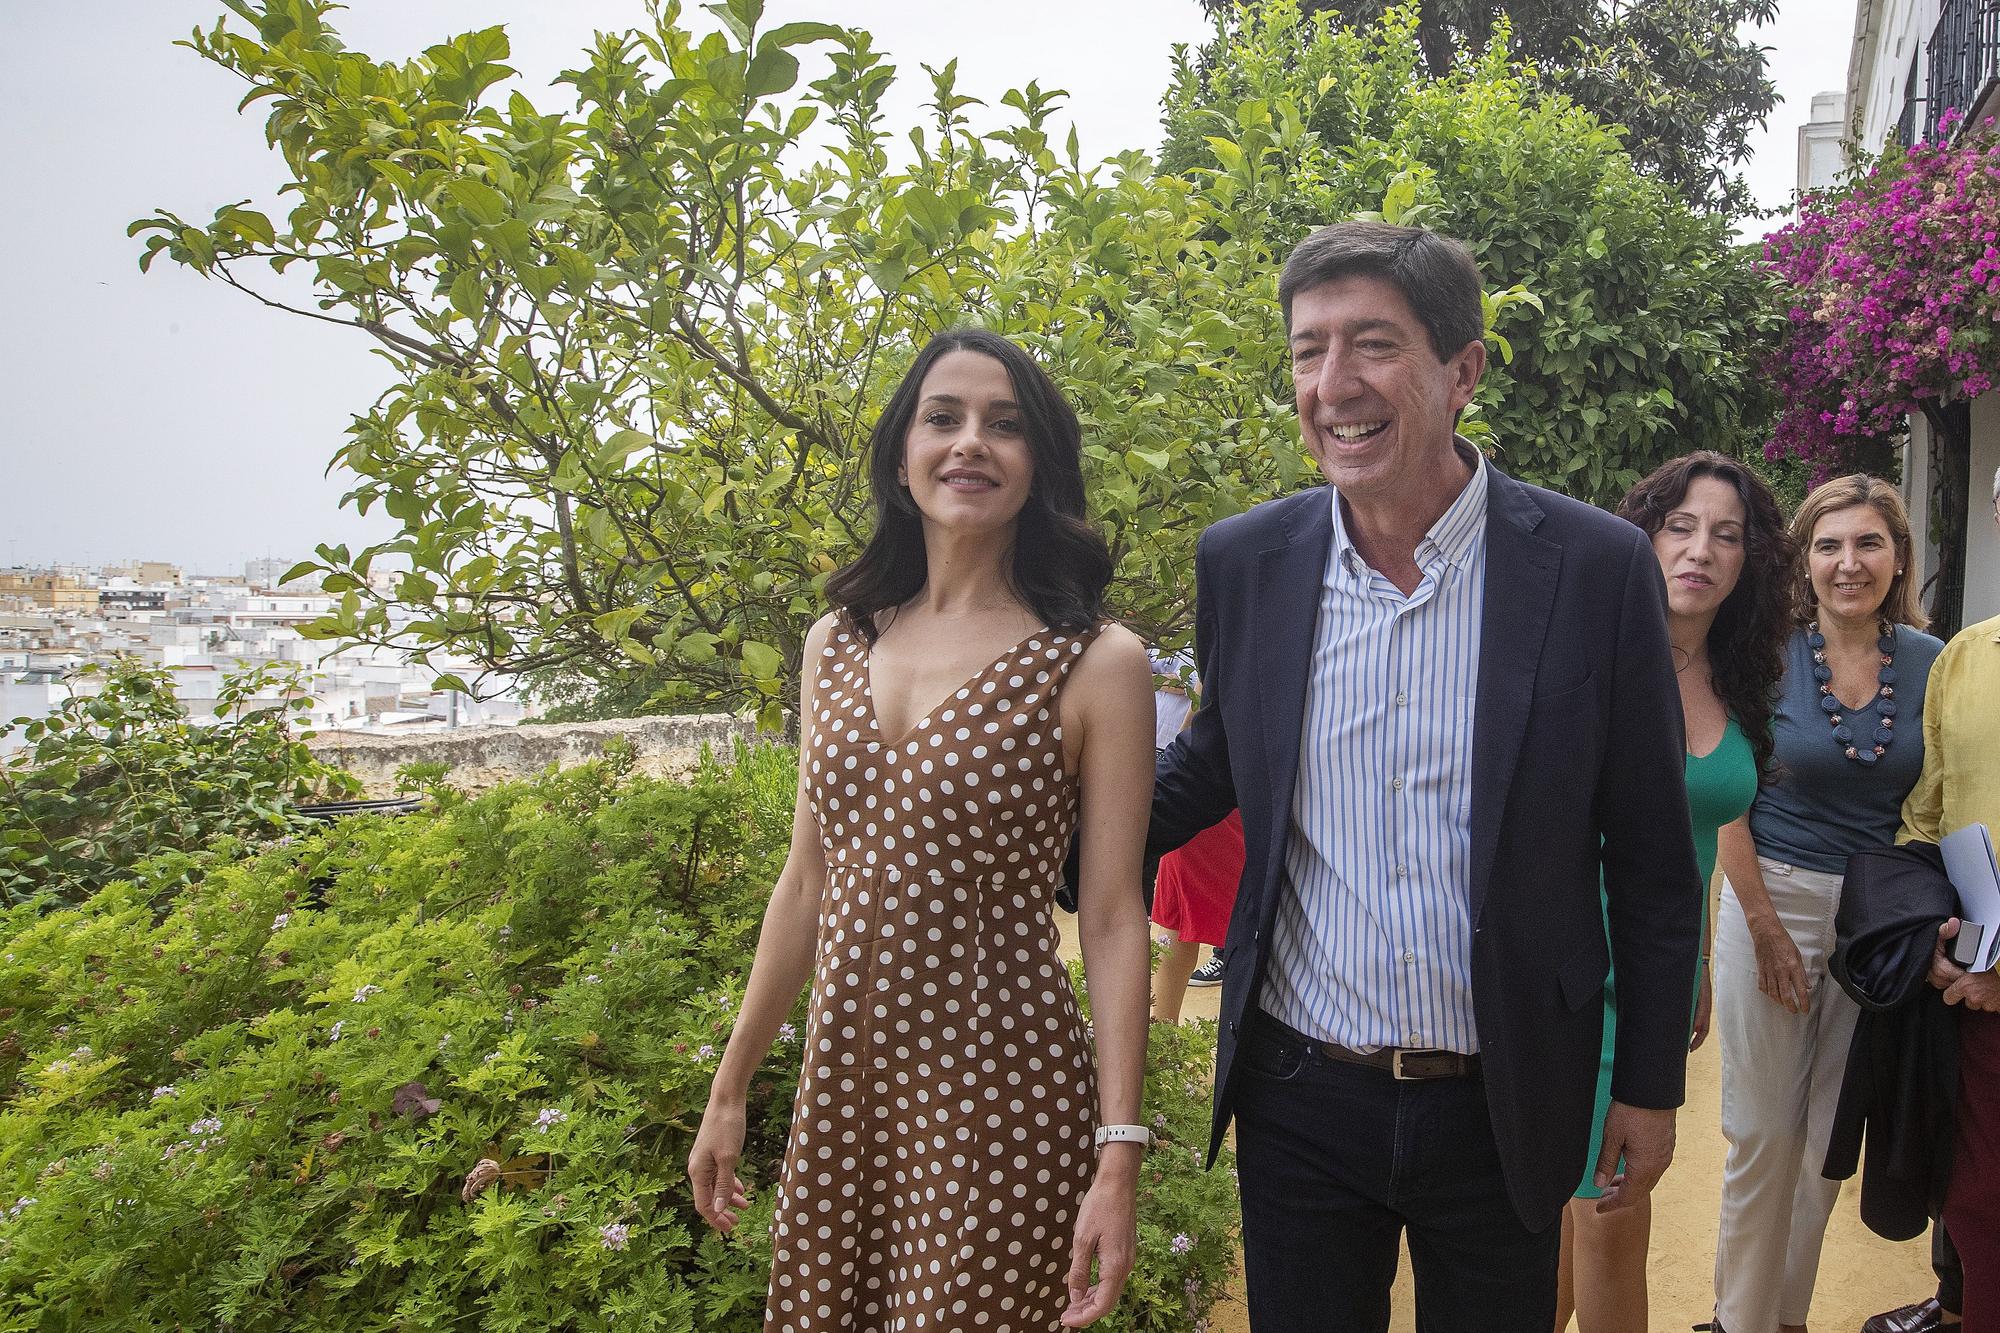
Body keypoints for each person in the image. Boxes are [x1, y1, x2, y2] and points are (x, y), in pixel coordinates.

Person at [1143, 220, 1703, 1329]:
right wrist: (1024, 830)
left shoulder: (1591, 569)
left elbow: (1648, 854)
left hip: (1504, 1095)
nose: (1331, 384)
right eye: (1307, 350)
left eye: (1371, 345)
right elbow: (1211, 764)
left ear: (1461, 370)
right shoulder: (1246, 561)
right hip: (1300, 1092)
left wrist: (1644, 1082)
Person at [686, 329, 1156, 1331]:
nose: (969, 444)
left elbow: (1114, 916)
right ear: (901, 453)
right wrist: (730, 1087)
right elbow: (807, 882)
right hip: (846, 1094)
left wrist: (1118, 1148)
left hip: (1000, 1092)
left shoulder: (1096, 660)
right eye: (941, 418)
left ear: (1040, 464)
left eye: (1005, 425)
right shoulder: (835, 642)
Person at [1555, 453, 1795, 1332]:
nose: (1700, 549)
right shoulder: (1587, 653)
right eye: (1680, 525)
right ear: (1643, 536)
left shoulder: (1739, 675)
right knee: (1609, 1211)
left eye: (1726, 534)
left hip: (1651, 979)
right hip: (1569, 974)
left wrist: (1692, 961)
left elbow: (1694, 843)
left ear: (1750, 559)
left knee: (1585, 1211)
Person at [1710, 474, 1944, 1333]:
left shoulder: (1932, 662)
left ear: (1896, 555)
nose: (1850, 563)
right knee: (1762, 1131)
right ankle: (1739, 1318)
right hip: (1769, 892)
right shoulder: (1765, 652)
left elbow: (1945, 796)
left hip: (1876, 922)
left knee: (1822, 1140)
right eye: (1830, 545)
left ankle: (1787, 1317)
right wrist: (1764, 923)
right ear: (1804, 560)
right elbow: (1730, 794)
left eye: (1869, 543)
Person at [1896, 464, 2000, 1332]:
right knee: (1974, 1201)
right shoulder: (1967, 656)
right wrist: (1930, 935)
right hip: (1976, 994)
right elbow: (1927, 815)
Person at [1148, 656, 1242, 1024]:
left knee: (1174, 920)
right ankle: (1164, 1036)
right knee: (1176, 919)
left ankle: (1163, 1034)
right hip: (1230, 791)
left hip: (1211, 791)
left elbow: (1200, 714)